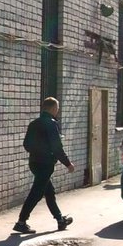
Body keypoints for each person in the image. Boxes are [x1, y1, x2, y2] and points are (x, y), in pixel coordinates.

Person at [13, 96, 76, 234]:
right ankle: (21, 222)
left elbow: (26, 144)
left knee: (49, 192)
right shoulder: (51, 124)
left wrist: (37, 151)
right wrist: (68, 164)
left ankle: (60, 220)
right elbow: (57, 148)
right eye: (57, 108)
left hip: (34, 162)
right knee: (36, 193)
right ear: (53, 108)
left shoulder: (34, 123)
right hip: (45, 164)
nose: (58, 111)